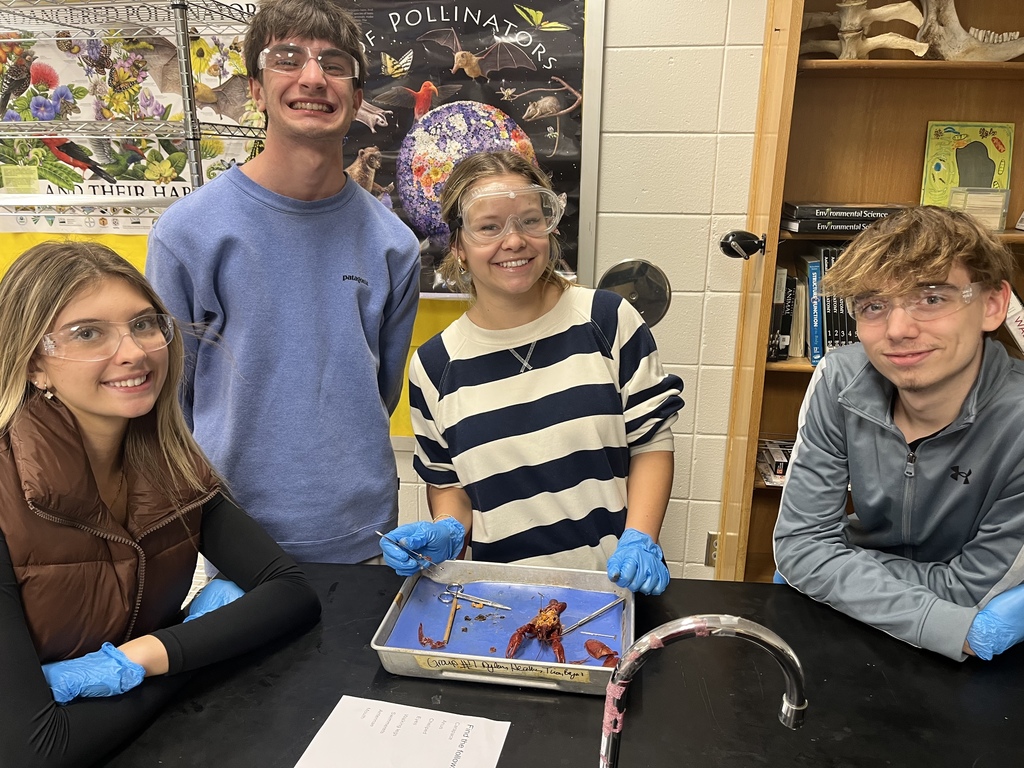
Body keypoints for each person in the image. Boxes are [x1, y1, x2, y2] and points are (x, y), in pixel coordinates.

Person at [0, 241, 322, 766]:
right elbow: (31, 751)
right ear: (34, 363)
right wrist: (196, 647)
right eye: (88, 333)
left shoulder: (169, 464)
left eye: (145, 324)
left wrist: (146, 656)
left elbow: (292, 593)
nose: (133, 351)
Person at [146, 0, 420, 563]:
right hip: (228, 539)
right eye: (288, 58)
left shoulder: (394, 244)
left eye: (335, 63)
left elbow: (381, 391)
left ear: (359, 97)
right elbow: (168, 403)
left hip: (362, 536)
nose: (313, 78)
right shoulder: (189, 235)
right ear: (255, 88)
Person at [379, 151, 684, 595]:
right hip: (497, 603)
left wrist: (642, 537)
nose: (514, 240)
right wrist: (446, 528)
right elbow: (449, 487)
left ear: (549, 227)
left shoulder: (607, 320)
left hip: (610, 594)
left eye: (528, 220)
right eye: (489, 227)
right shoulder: (434, 365)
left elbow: (651, 443)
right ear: (459, 247)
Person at [773, 206, 1024, 662]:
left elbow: (971, 590)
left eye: (931, 298)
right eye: (874, 305)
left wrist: (833, 568)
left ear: (992, 305)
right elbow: (801, 545)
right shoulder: (840, 380)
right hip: (871, 637)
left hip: (979, 665)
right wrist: (814, 559)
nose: (898, 330)